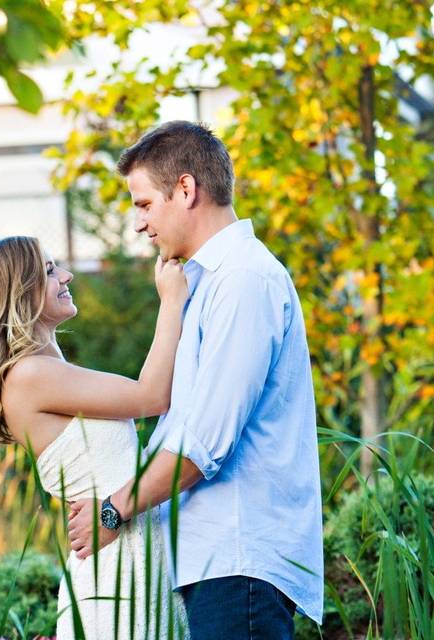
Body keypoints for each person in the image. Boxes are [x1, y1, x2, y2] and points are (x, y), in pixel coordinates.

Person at [67, 121, 324, 639]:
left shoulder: (244, 281)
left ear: (185, 190)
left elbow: (205, 442)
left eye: (143, 205)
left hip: (239, 559)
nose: (139, 224)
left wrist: (113, 512)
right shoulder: (205, 284)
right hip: (215, 561)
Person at [0, 236, 190, 639]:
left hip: (130, 555)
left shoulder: (41, 370)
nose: (66, 275)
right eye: (50, 270)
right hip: (117, 571)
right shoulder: (30, 376)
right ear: (17, 293)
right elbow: (152, 396)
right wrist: (172, 302)